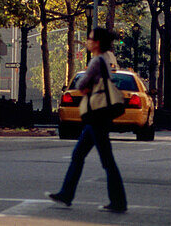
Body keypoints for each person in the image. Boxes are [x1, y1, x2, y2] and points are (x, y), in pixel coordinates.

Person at [47, 27, 128, 214]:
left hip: (97, 116)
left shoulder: (97, 61)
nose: (87, 41)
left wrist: (85, 88)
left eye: (90, 39)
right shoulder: (108, 58)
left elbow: (82, 83)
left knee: (105, 160)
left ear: (97, 42)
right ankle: (67, 193)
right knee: (79, 155)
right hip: (98, 117)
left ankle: (118, 201)